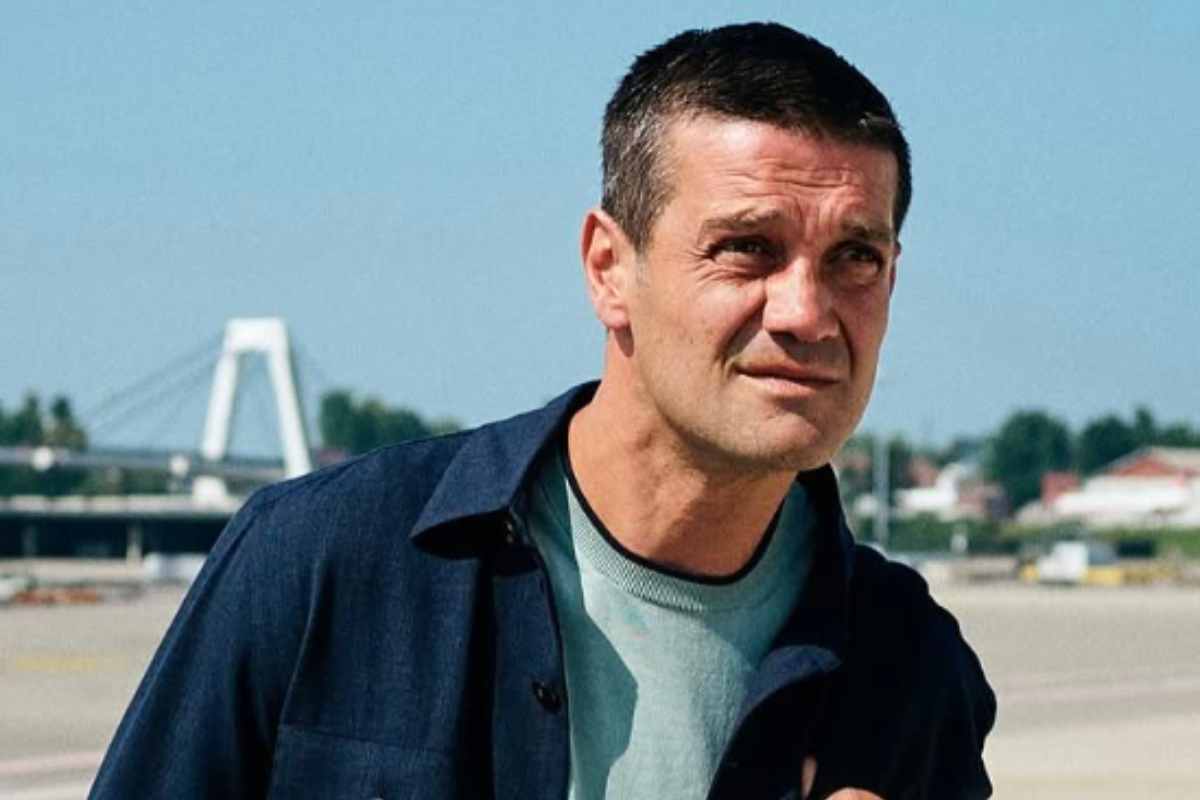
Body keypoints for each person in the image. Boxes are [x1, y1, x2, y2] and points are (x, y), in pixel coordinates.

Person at [90, 22, 994, 800]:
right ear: (608, 269)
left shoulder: (911, 666)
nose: (807, 313)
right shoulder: (320, 561)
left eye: (855, 258)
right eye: (747, 248)